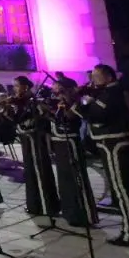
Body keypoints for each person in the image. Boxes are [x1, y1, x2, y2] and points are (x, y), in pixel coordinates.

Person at [74, 64, 129, 246]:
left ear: (109, 77)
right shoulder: (108, 92)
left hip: (115, 144)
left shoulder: (112, 93)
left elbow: (96, 114)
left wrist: (76, 104)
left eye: (97, 76)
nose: (93, 80)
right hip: (115, 144)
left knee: (122, 188)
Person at [4, 77, 60, 217]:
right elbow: (16, 120)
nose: (15, 89)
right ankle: (34, 204)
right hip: (26, 140)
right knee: (30, 171)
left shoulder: (33, 101)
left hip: (35, 140)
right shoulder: (18, 102)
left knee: (40, 169)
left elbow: (37, 120)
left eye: (17, 86)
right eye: (14, 86)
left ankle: (46, 205)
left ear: (25, 87)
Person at [50, 77, 99, 228]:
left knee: (75, 177)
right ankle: (69, 211)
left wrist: (64, 104)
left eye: (58, 87)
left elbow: (70, 117)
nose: (54, 89)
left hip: (71, 142)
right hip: (60, 144)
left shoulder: (76, 102)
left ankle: (82, 214)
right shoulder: (59, 101)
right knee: (64, 178)